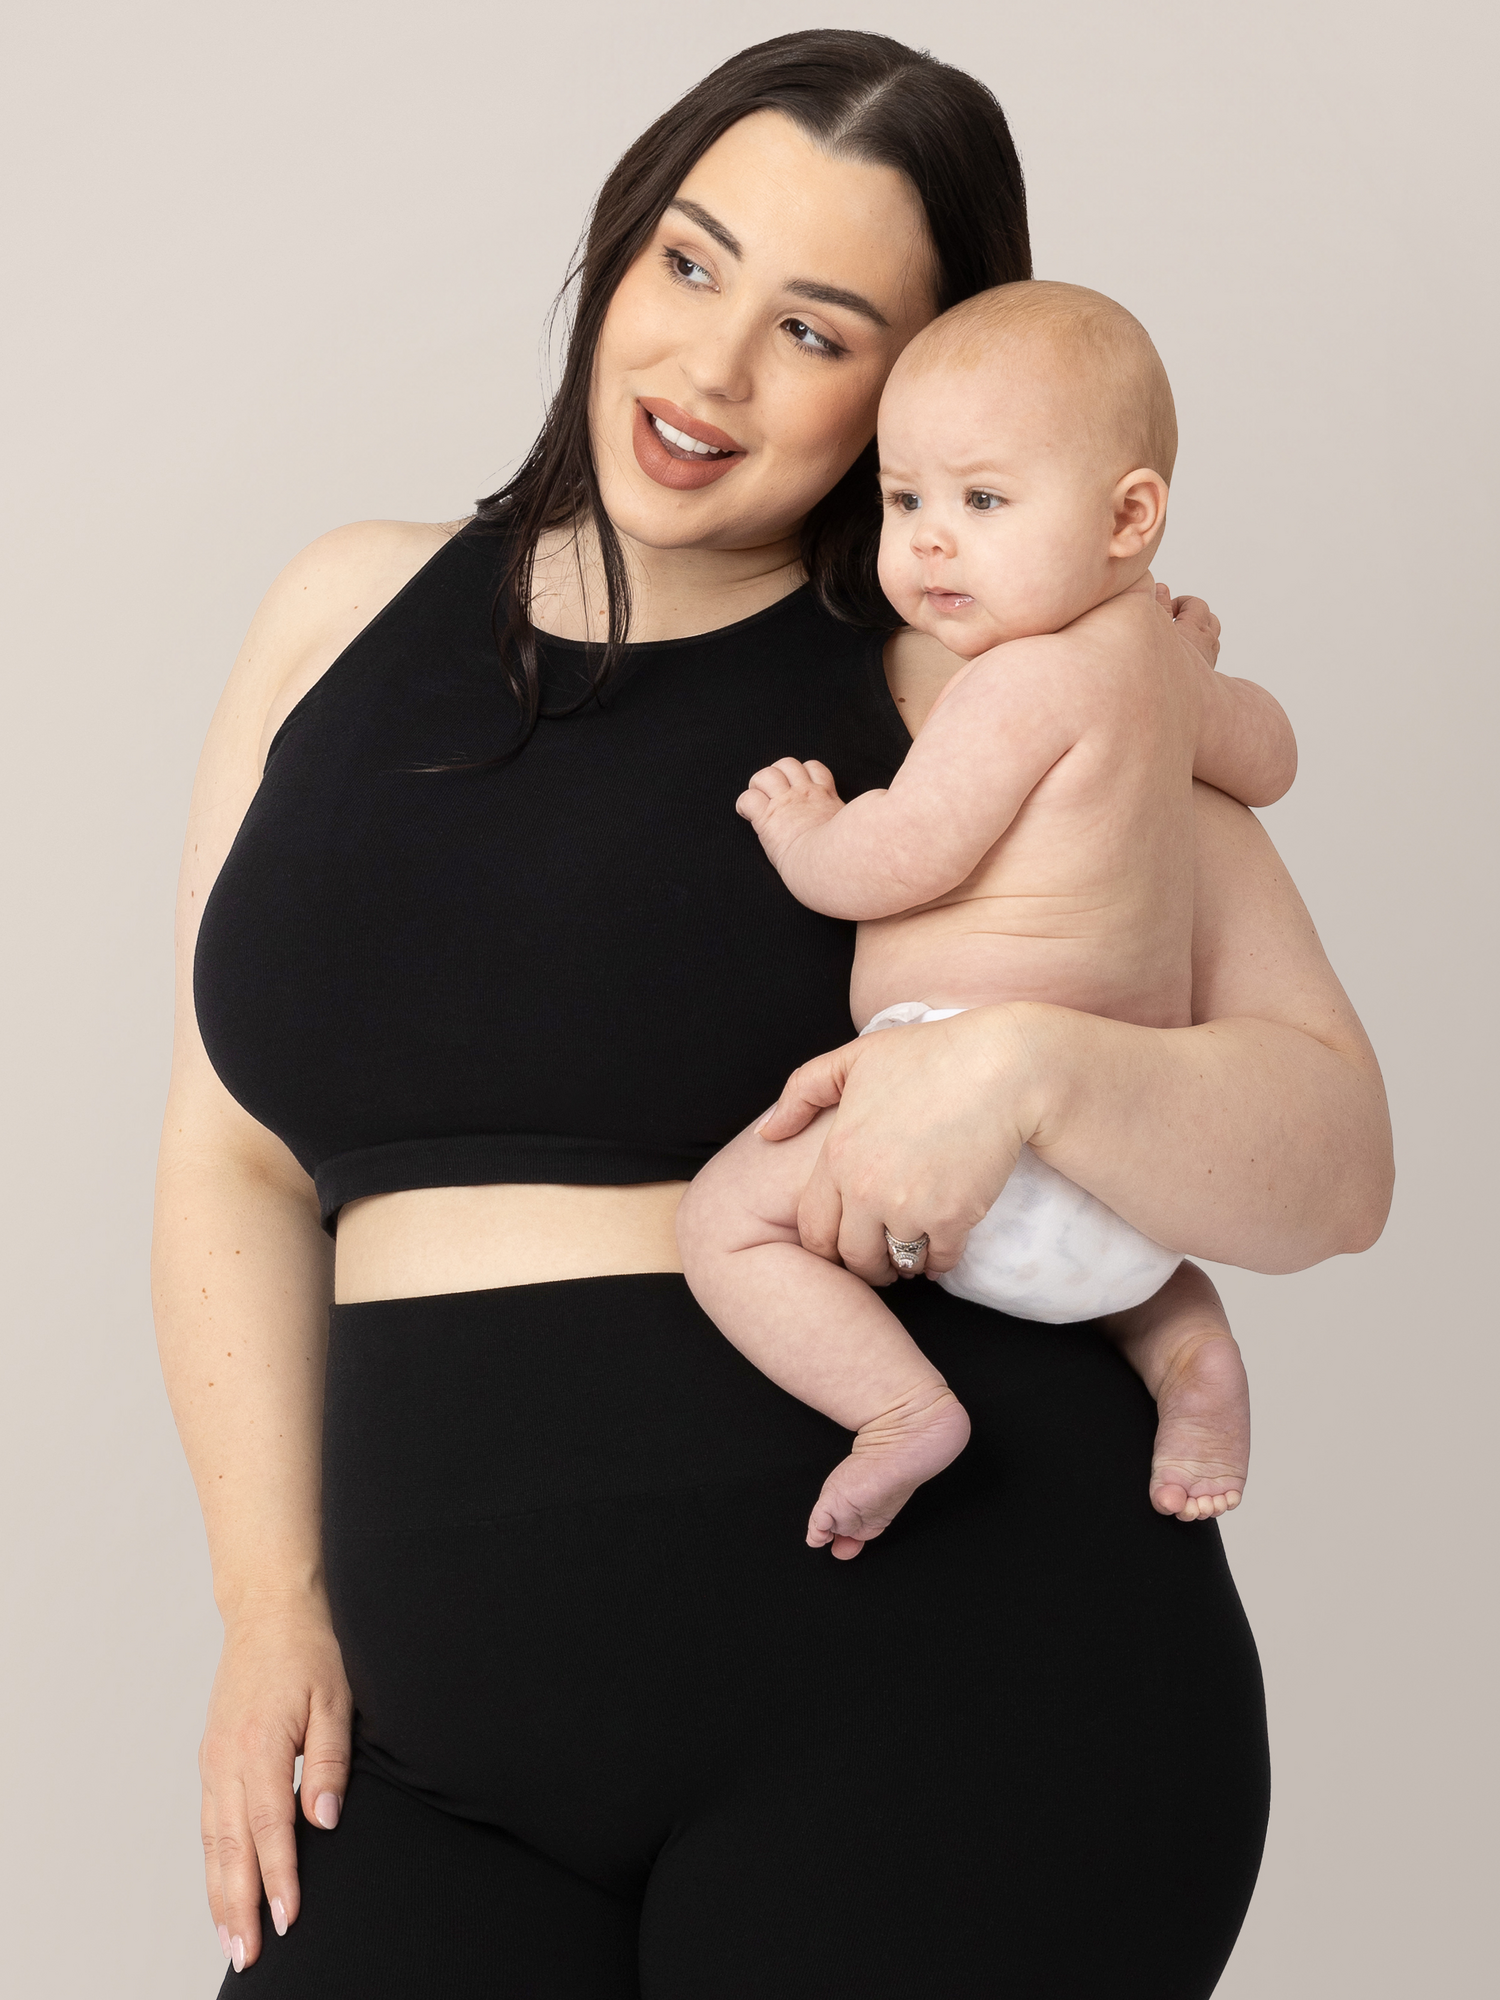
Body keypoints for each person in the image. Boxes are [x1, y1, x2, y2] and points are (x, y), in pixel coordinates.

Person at [155, 29, 1392, 1998]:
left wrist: (1029, 1067)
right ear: (618, 247)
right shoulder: (342, 616)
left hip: (948, 1688)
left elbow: (1336, 1159)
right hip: (436, 1746)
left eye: (817, 330)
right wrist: (265, 1600)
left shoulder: (988, 683)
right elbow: (229, 1159)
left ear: (915, 391)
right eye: (690, 262)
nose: (712, 367)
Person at [680, 279, 1290, 1555]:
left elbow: (896, 858)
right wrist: (1195, 670)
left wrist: (805, 829)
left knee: (726, 1221)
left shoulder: (1018, 682)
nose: (930, 543)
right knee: (1143, 1282)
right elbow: (1272, 756)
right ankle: (1188, 1347)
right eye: (906, 500)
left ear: (1128, 517)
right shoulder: (1157, 667)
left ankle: (900, 1408)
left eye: (983, 502)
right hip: (1131, 1173)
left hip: (970, 1136)